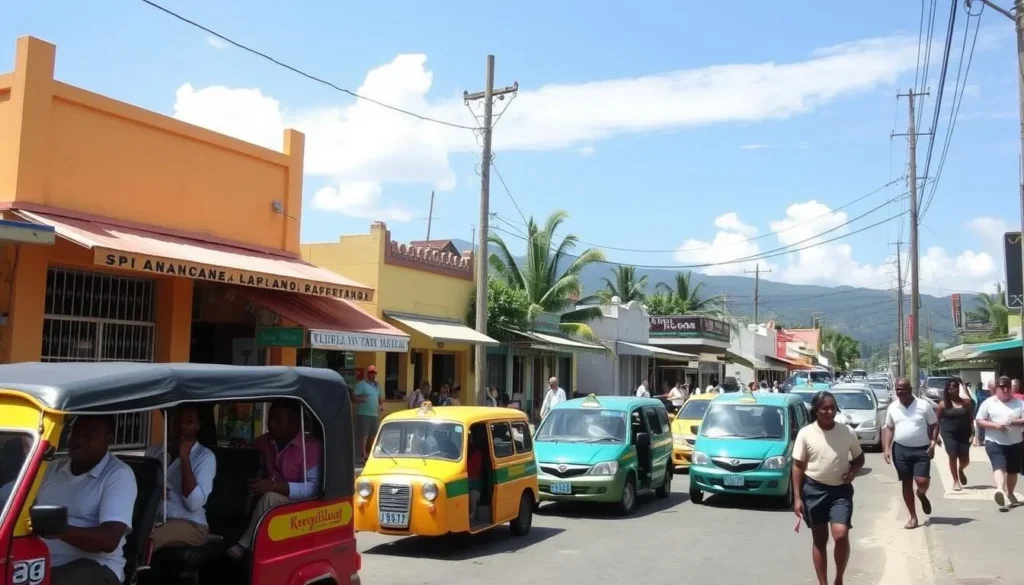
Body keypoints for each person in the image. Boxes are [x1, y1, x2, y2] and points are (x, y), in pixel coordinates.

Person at [35, 415, 137, 585]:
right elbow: (10, 497)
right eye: (75, 433)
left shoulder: (119, 475)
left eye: (90, 434)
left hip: (97, 566)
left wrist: (58, 530)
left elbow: (109, 540)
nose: (79, 440)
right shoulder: (52, 468)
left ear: (109, 439)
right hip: (39, 560)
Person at [227, 400, 323, 559]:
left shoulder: (311, 447)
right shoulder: (264, 442)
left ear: (295, 422)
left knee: (270, 498)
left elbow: (313, 488)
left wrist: (273, 486)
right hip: (270, 502)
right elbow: (248, 451)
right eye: (270, 417)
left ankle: (243, 545)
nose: (271, 423)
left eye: (278, 419)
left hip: (301, 506)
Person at [792, 391, 865, 585]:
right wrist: (797, 497)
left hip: (840, 490)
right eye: (824, 408)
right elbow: (798, 466)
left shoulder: (846, 432)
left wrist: (853, 471)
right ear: (815, 410)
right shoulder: (805, 433)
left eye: (832, 408)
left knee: (841, 534)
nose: (829, 412)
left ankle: (839, 578)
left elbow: (859, 458)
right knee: (820, 539)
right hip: (813, 490)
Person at [145, 405, 216, 551]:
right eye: (177, 421)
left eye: (189, 422)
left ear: (198, 426)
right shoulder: (154, 451)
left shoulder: (205, 457)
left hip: (192, 524)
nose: (182, 426)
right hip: (157, 518)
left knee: (148, 537)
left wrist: (185, 458)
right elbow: (143, 487)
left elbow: (193, 503)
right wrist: (154, 491)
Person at [882, 378, 939, 529]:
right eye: (897, 389)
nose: (899, 392)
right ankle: (913, 517)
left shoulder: (923, 405)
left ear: (910, 389)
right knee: (906, 482)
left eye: (902, 389)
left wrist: (933, 442)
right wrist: (887, 448)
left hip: (922, 450)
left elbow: (934, 424)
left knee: (922, 481)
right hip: (900, 450)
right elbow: (889, 427)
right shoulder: (893, 407)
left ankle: (921, 493)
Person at [975, 376, 1024, 510]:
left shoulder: (1019, 403)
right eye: (1002, 387)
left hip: (1015, 442)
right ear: (996, 388)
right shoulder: (988, 403)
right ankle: (1000, 490)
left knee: (1013, 471)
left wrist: (1013, 422)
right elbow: (979, 420)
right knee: (999, 466)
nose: (1005, 390)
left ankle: (1010, 493)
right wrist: (996, 425)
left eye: (1007, 386)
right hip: (994, 442)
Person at [936, 379, 973, 491]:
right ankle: (955, 481)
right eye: (951, 388)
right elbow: (937, 422)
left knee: (965, 460)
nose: (954, 390)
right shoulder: (943, 405)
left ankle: (960, 469)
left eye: (956, 388)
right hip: (949, 434)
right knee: (952, 455)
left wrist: (973, 432)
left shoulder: (966, 403)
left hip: (964, 434)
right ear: (947, 390)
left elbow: (970, 418)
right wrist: (936, 436)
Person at [353, 365, 383, 463]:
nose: (373, 375)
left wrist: (381, 405)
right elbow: (353, 397)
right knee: (364, 435)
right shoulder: (362, 384)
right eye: (371, 373)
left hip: (375, 414)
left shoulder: (377, 385)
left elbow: (380, 398)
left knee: (373, 435)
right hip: (364, 414)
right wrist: (361, 399)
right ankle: (363, 455)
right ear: (368, 374)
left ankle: (370, 453)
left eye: (374, 373)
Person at [975, 380, 996, 445]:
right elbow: (976, 401)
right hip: (980, 410)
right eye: (979, 384)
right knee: (980, 425)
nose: (979, 386)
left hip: (989, 411)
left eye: (981, 384)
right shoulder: (977, 392)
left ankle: (985, 439)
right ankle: (980, 440)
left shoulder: (986, 392)